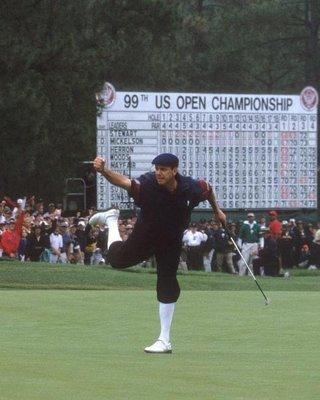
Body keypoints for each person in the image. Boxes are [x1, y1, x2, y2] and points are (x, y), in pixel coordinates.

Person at [90, 153, 226, 354]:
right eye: (157, 168)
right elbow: (124, 182)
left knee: (168, 282)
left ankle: (164, 340)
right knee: (116, 260)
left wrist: (217, 211)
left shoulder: (190, 187)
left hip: (171, 240)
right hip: (146, 236)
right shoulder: (148, 184)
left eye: (163, 169)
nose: (158, 173)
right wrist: (104, 171)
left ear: (174, 171)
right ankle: (111, 219)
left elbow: (208, 189)